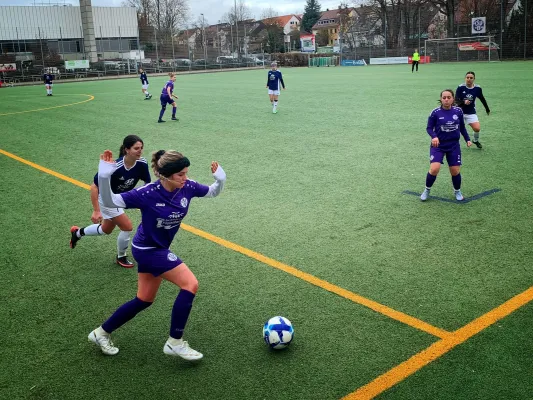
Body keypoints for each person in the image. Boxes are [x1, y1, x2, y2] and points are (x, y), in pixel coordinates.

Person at [88, 149, 226, 360]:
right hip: (147, 250)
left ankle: (101, 333)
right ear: (166, 174)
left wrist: (220, 179)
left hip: (159, 248)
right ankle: (175, 342)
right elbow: (110, 201)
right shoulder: (147, 193)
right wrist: (105, 176)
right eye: (181, 174)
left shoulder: (187, 187)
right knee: (190, 284)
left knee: (144, 299)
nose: (185, 178)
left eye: (186, 172)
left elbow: (213, 191)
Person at [70, 135, 151, 268]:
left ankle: (77, 233)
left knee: (105, 229)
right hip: (107, 200)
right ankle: (121, 256)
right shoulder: (115, 166)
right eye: (136, 148)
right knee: (127, 227)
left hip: (120, 200)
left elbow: (147, 182)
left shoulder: (142, 163)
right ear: (126, 149)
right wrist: (96, 210)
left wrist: (140, 197)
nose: (140, 151)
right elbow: (94, 186)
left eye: (141, 148)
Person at [421, 89, 472, 202]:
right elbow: (429, 128)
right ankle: (427, 190)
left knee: (455, 171)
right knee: (434, 169)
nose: (446, 100)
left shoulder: (458, 111)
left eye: (449, 97)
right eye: (444, 97)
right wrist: (434, 136)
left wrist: (467, 139)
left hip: (453, 145)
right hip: (438, 145)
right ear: (441, 99)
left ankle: (457, 191)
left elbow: (462, 127)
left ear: (453, 99)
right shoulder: (435, 113)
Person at [455, 71, 490, 149]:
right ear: (465, 78)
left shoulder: (477, 88)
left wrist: (487, 109)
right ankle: (451, 144)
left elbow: (482, 98)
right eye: (467, 77)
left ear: (474, 79)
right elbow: (456, 100)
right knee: (453, 129)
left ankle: (475, 140)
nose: (469, 79)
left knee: (477, 128)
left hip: (470, 112)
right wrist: (464, 102)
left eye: (471, 78)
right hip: (459, 112)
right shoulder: (461, 87)